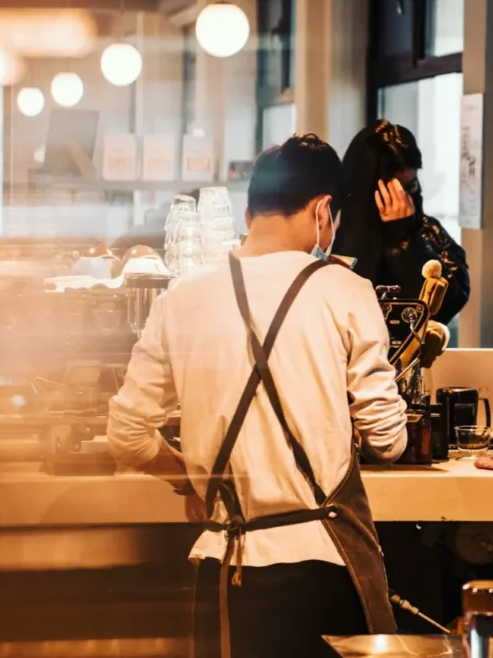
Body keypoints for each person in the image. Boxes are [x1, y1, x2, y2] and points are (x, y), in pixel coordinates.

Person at [107, 134, 408, 658]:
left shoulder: (182, 297)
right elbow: (388, 441)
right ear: (323, 212)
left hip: (226, 567)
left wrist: (193, 481)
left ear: (249, 210)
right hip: (323, 568)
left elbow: (127, 437)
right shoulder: (346, 290)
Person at [334, 120, 470, 325]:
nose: (402, 199)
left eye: (410, 186)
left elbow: (449, 302)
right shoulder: (330, 232)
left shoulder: (426, 231)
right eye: (391, 191)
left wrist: (404, 240)